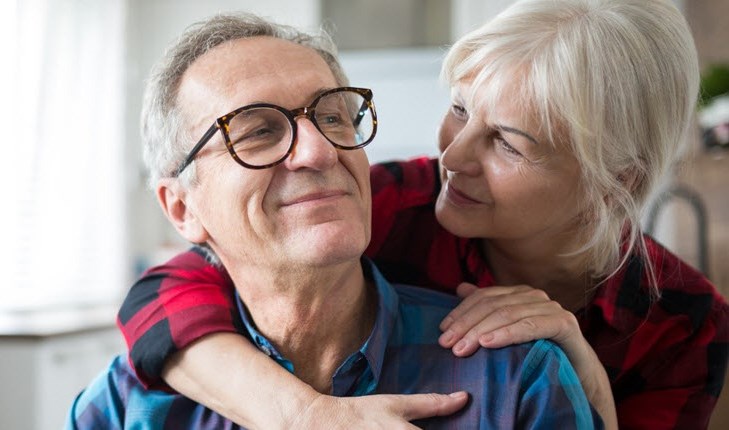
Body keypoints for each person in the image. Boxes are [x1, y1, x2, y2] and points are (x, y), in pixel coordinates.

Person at [116, 0, 728, 428]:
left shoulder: (685, 322)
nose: (452, 155)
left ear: (613, 182)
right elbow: (162, 294)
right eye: (460, 110)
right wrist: (302, 416)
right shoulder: (392, 202)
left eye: (508, 143)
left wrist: (583, 375)